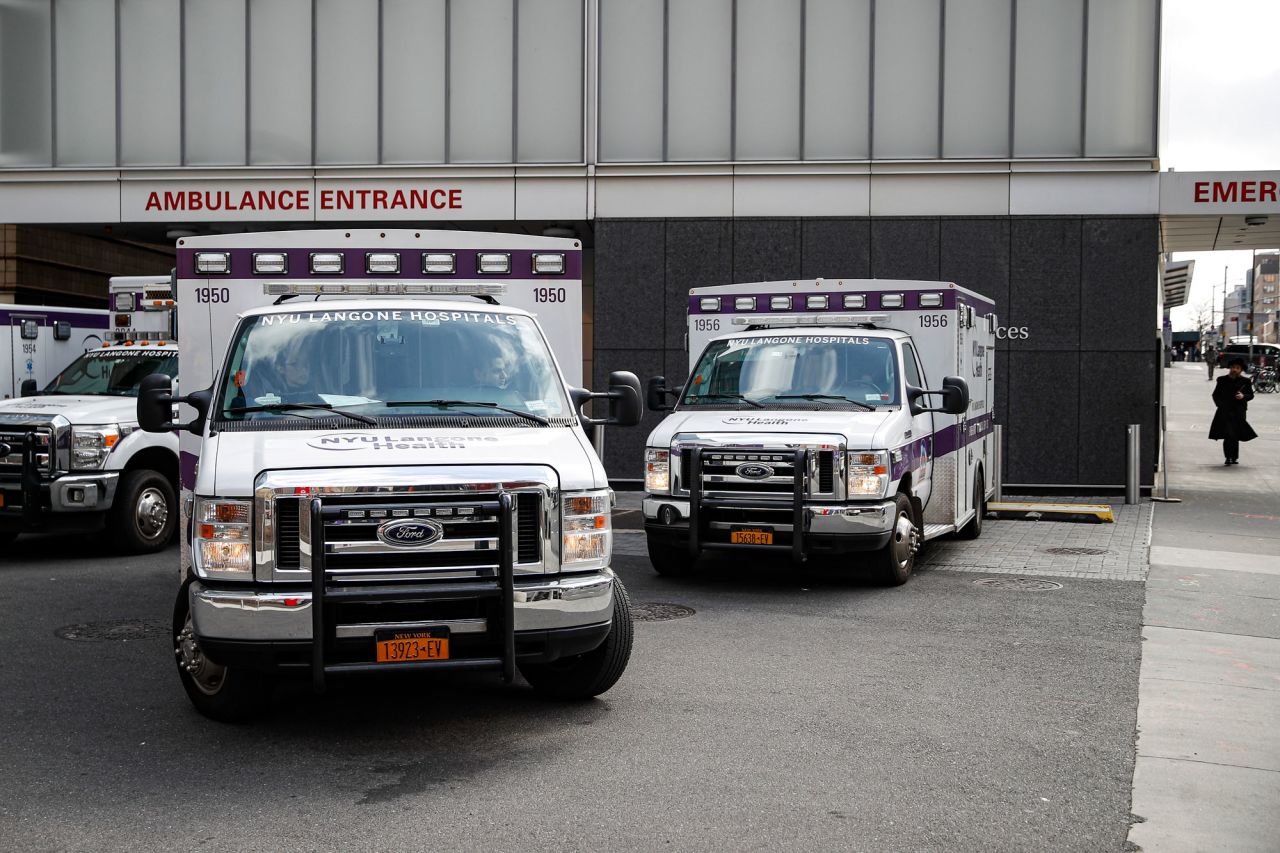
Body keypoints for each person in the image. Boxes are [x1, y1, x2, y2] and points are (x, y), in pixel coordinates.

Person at [1209, 358, 1257, 465]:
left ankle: (1234, 457)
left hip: (1239, 412)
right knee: (1228, 434)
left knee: (1235, 435)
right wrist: (1220, 405)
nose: (1234, 370)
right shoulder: (1222, 380)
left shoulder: (1246, 381)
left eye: (1237, 368)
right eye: (1233, 367)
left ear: (1241, 370)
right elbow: (1215, 395)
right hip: (1224, 411)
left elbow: (1251, 395)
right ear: (1230, 368)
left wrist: (1243, 396)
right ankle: (1228, 457)